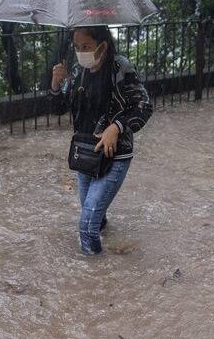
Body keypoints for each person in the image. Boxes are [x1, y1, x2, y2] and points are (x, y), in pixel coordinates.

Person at [48, 25, 153, 255]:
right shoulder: (77, 71)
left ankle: (96, 276)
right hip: (86, 154)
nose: (81, 51)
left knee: (86, 226)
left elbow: (144, 106)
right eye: (77, 47)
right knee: (95, 215)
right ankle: (111, 245)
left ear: (102, 46)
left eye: (86, 46)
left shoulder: (119, 67)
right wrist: (57, 84)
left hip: (114, 156)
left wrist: (116, 127)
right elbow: (58, 109)